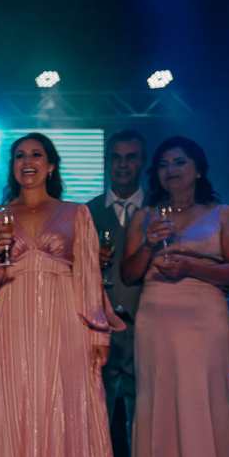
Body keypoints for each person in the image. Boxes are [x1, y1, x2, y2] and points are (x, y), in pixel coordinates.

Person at [0, 133, 126, 457]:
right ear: (12, 166)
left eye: (36, 154)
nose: (28, 161)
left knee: (66, 413)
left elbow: (89, 276)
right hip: (9, 324)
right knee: (12, 417)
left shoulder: (76, 214)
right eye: (19, 155)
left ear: (51, 165)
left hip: (64, 321)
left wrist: (98, 333)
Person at [121, 136, 229, 457]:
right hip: (155, 321)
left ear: (199, 169)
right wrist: (148, 244)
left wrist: (192, 266)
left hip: (204, 320)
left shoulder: (222, 214)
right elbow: (129, 274)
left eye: (179, 162)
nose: (171, 170)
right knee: (156, 413)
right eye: (163, 164)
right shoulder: (145, 215)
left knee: (201, 412)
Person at [86, 130, 147, 431]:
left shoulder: (159, 210)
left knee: (146, 422)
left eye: (131, 157)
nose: (123, 165)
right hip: (100, 327)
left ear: (143, 162)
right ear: (106, 161)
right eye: (116, 158)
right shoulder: (86, 212)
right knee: (96, 422)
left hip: (147, 325)